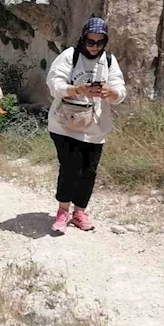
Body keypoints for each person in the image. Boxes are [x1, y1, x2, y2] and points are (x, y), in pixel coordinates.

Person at [46, 17, 126, 234]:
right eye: (90, 42)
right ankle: (63, 212)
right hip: (64, 124)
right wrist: (77, 90)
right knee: (71, 167)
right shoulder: (70, 56)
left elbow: (120, 88)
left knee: (89, 170)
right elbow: (54, 85)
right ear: (83, 39)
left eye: (99, 43)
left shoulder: (109, 61)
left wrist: (112, 92)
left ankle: (79, 212)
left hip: (95, 127)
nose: (94, 47)